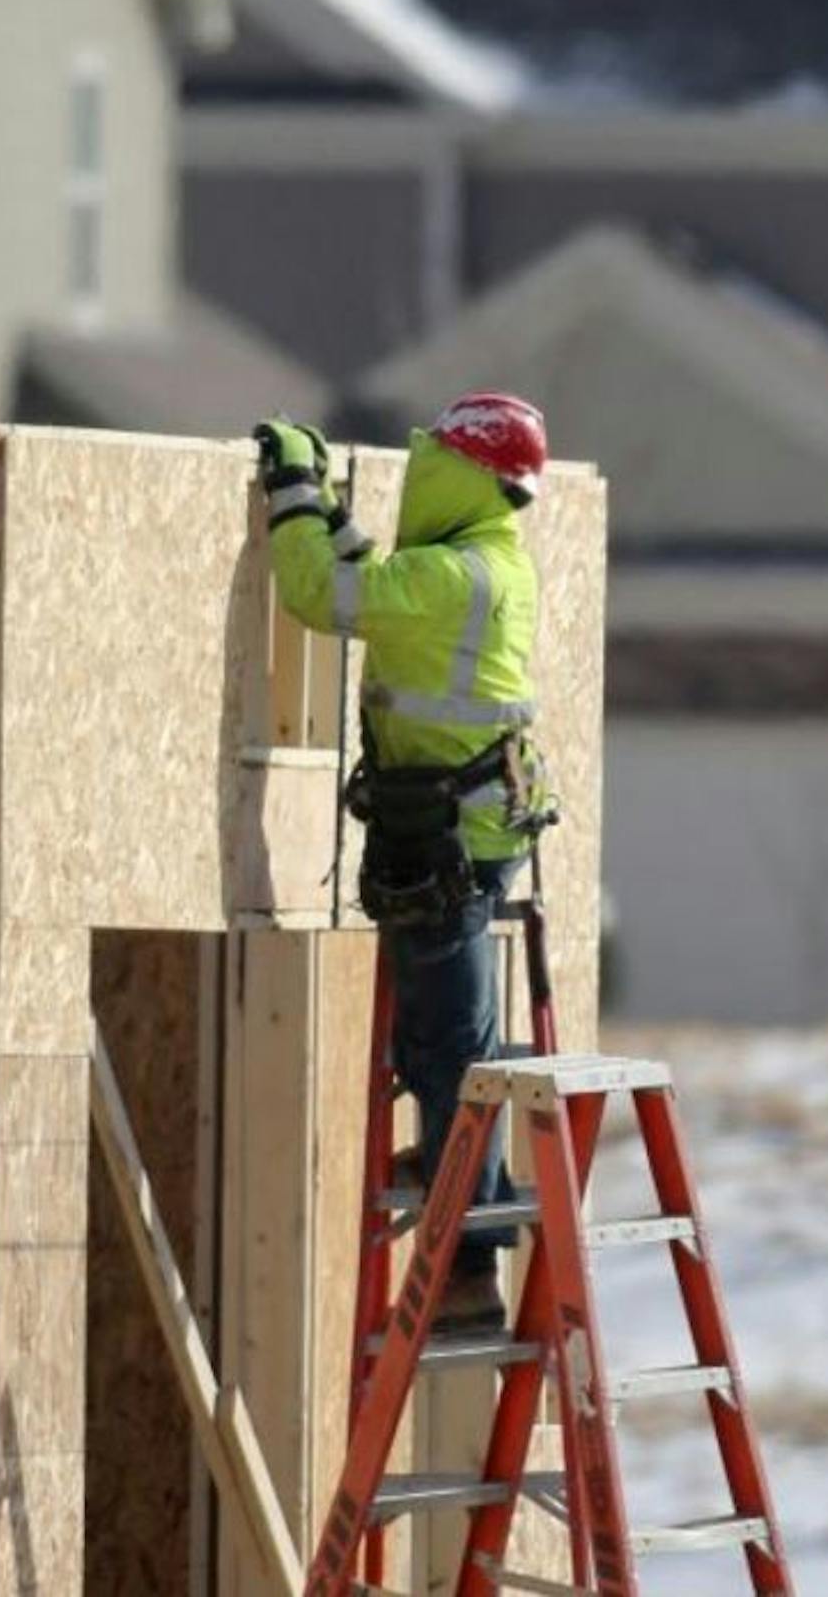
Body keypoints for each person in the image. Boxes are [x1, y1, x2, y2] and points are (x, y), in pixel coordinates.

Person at [253, 393, 550, 1332]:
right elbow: (376, 581)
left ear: (462, 473)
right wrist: (332, 518)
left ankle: (469, 1264)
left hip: (450, 841)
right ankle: (457, 1164)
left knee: (449, 1047)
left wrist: (295, 494)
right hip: (471, 829)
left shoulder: (456, 575)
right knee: (455, 1039)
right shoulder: (477, 563)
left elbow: (327, 596)